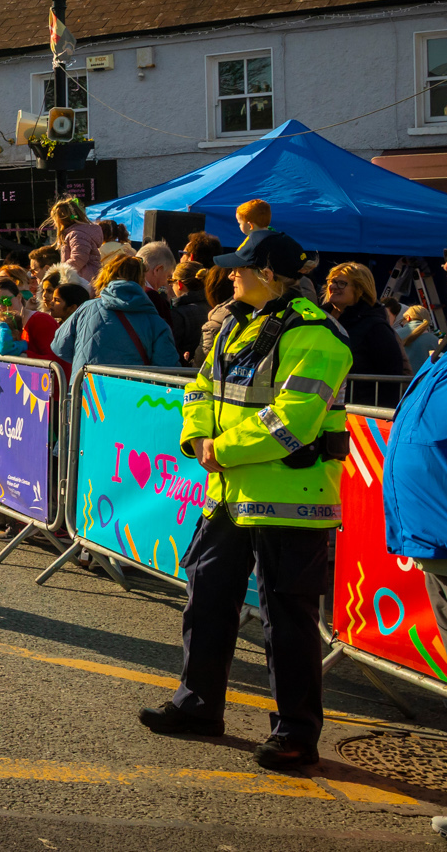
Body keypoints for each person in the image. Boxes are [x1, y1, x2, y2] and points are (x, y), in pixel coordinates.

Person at [140, 229, 352, 772]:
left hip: (288, 500)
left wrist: (222, 450)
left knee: (288, 622)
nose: (230, 274)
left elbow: (294, 421)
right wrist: (197, 437)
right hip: (229, 495)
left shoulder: (317, 334)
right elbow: (200, 387)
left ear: (270, 275)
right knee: (207, 601)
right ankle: (197, 706)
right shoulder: (237, 323)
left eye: (241, 267)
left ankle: (295, 736)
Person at [51, 255, 180, 372]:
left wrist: (83, 358)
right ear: (141, 281)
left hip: (88, 387)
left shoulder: (86, 308)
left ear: (105, 277)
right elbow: (166, 367)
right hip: (131, 389)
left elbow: (59, 346)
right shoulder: (155, 322)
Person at [325, 261, 408, 407]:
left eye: (342, 283)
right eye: (332, 281)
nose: (333, 286)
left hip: (359, 412)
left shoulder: (375, 328)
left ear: (360, 289)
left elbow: (392, 377)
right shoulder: (320, 321)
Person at [49, 197, 103, 284]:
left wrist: (61, 271)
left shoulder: (77, 234)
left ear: (60, 220)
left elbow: (79, 258)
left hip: (83, 280)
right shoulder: (76, 233)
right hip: (86, 278)